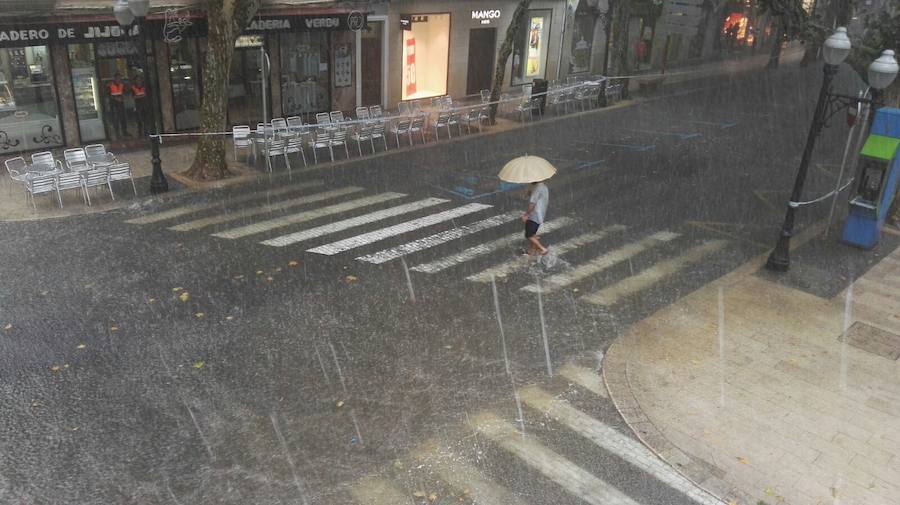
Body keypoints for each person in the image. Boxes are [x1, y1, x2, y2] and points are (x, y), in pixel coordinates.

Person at [522, 180, 549, 256]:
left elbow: (532, 204)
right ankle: (530, 252)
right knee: (533, 233)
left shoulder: (537, 189)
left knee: (529, 235)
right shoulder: (543, 187)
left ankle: (542, 249)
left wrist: (526, 215)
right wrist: (530, 192)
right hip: (541, 214)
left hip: (534, 215)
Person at [107, 73, 128, 139]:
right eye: (118, 78)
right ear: (115, 78)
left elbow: (124, 92)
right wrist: (116, 98)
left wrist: (123, 97)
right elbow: (108, 94)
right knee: (116, 119)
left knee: (123, 118)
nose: (119, 79)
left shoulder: (122, 85)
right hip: (114, 104)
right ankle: (117, 133)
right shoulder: (110, 85)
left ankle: (124, 132)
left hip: (121, 103)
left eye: (120, 78)